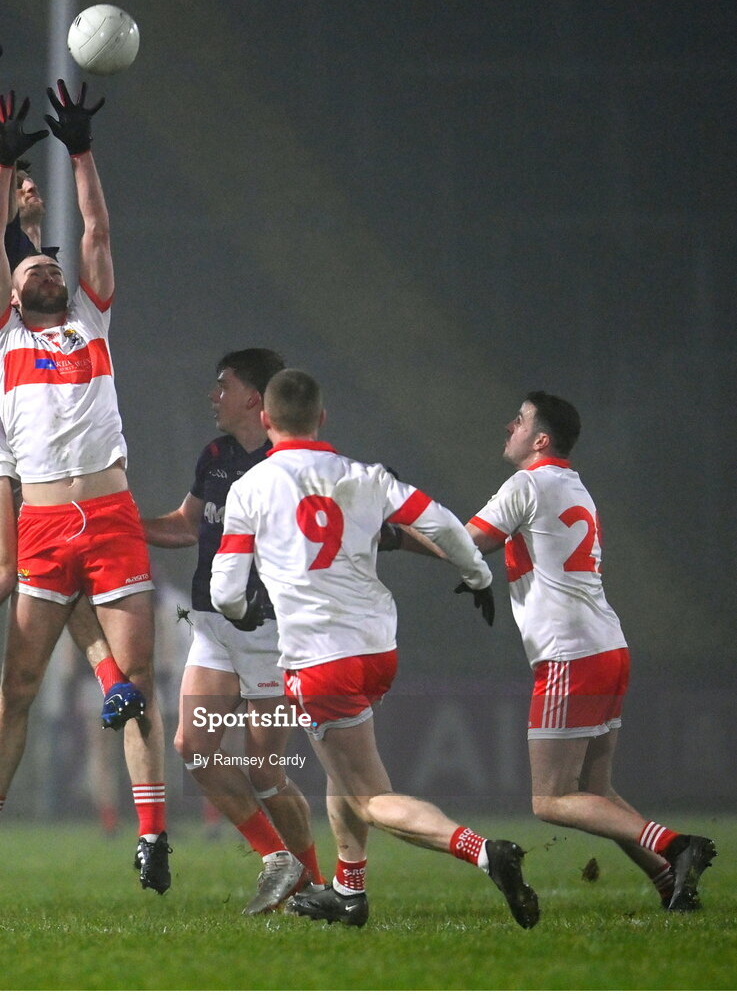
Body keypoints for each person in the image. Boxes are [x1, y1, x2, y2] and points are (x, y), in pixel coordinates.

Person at [0, 79, 170, 893]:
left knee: (132, 688)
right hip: (41, 526)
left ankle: (152, 834)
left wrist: (82, 152)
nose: (38, 267)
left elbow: (96, 226)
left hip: (108, 518)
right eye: (23, 263)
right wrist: (2, 164)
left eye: (43, 264)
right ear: (7, 281)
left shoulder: (92, 315)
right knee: (19, 684)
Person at [211, 369, 539, 929]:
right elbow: (443, 525)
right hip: (376, 652)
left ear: (265, 420)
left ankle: (485, 852)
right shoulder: (366, 476)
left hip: (320, 659)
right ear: (322, 418)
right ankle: (349, 890)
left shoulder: (249, 488)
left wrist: (245, 614)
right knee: (343, 769)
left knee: (370, 797)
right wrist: (478, 577)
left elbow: (225, 592)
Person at [465, 392, 716, 912]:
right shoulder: (573, 485)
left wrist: (392, 531)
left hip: (568, 654)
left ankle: (675, 845)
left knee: (551, 800)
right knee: (595, 792)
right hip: (607, 646)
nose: (508, 424)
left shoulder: (527, 483)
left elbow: (466, 541)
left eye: (521, 419)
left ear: (541, 439)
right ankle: (670, 882)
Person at [142, 349, 326, 914]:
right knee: (194, 749)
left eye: (223, 385)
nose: (213, 395)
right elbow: (186, 526)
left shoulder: (290, 461)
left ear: (254, 397)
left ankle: (318, 888)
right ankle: (278, 860)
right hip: (212, 627)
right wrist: (112, 522)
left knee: (265, 767)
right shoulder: (216, 455)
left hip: (271, 632)